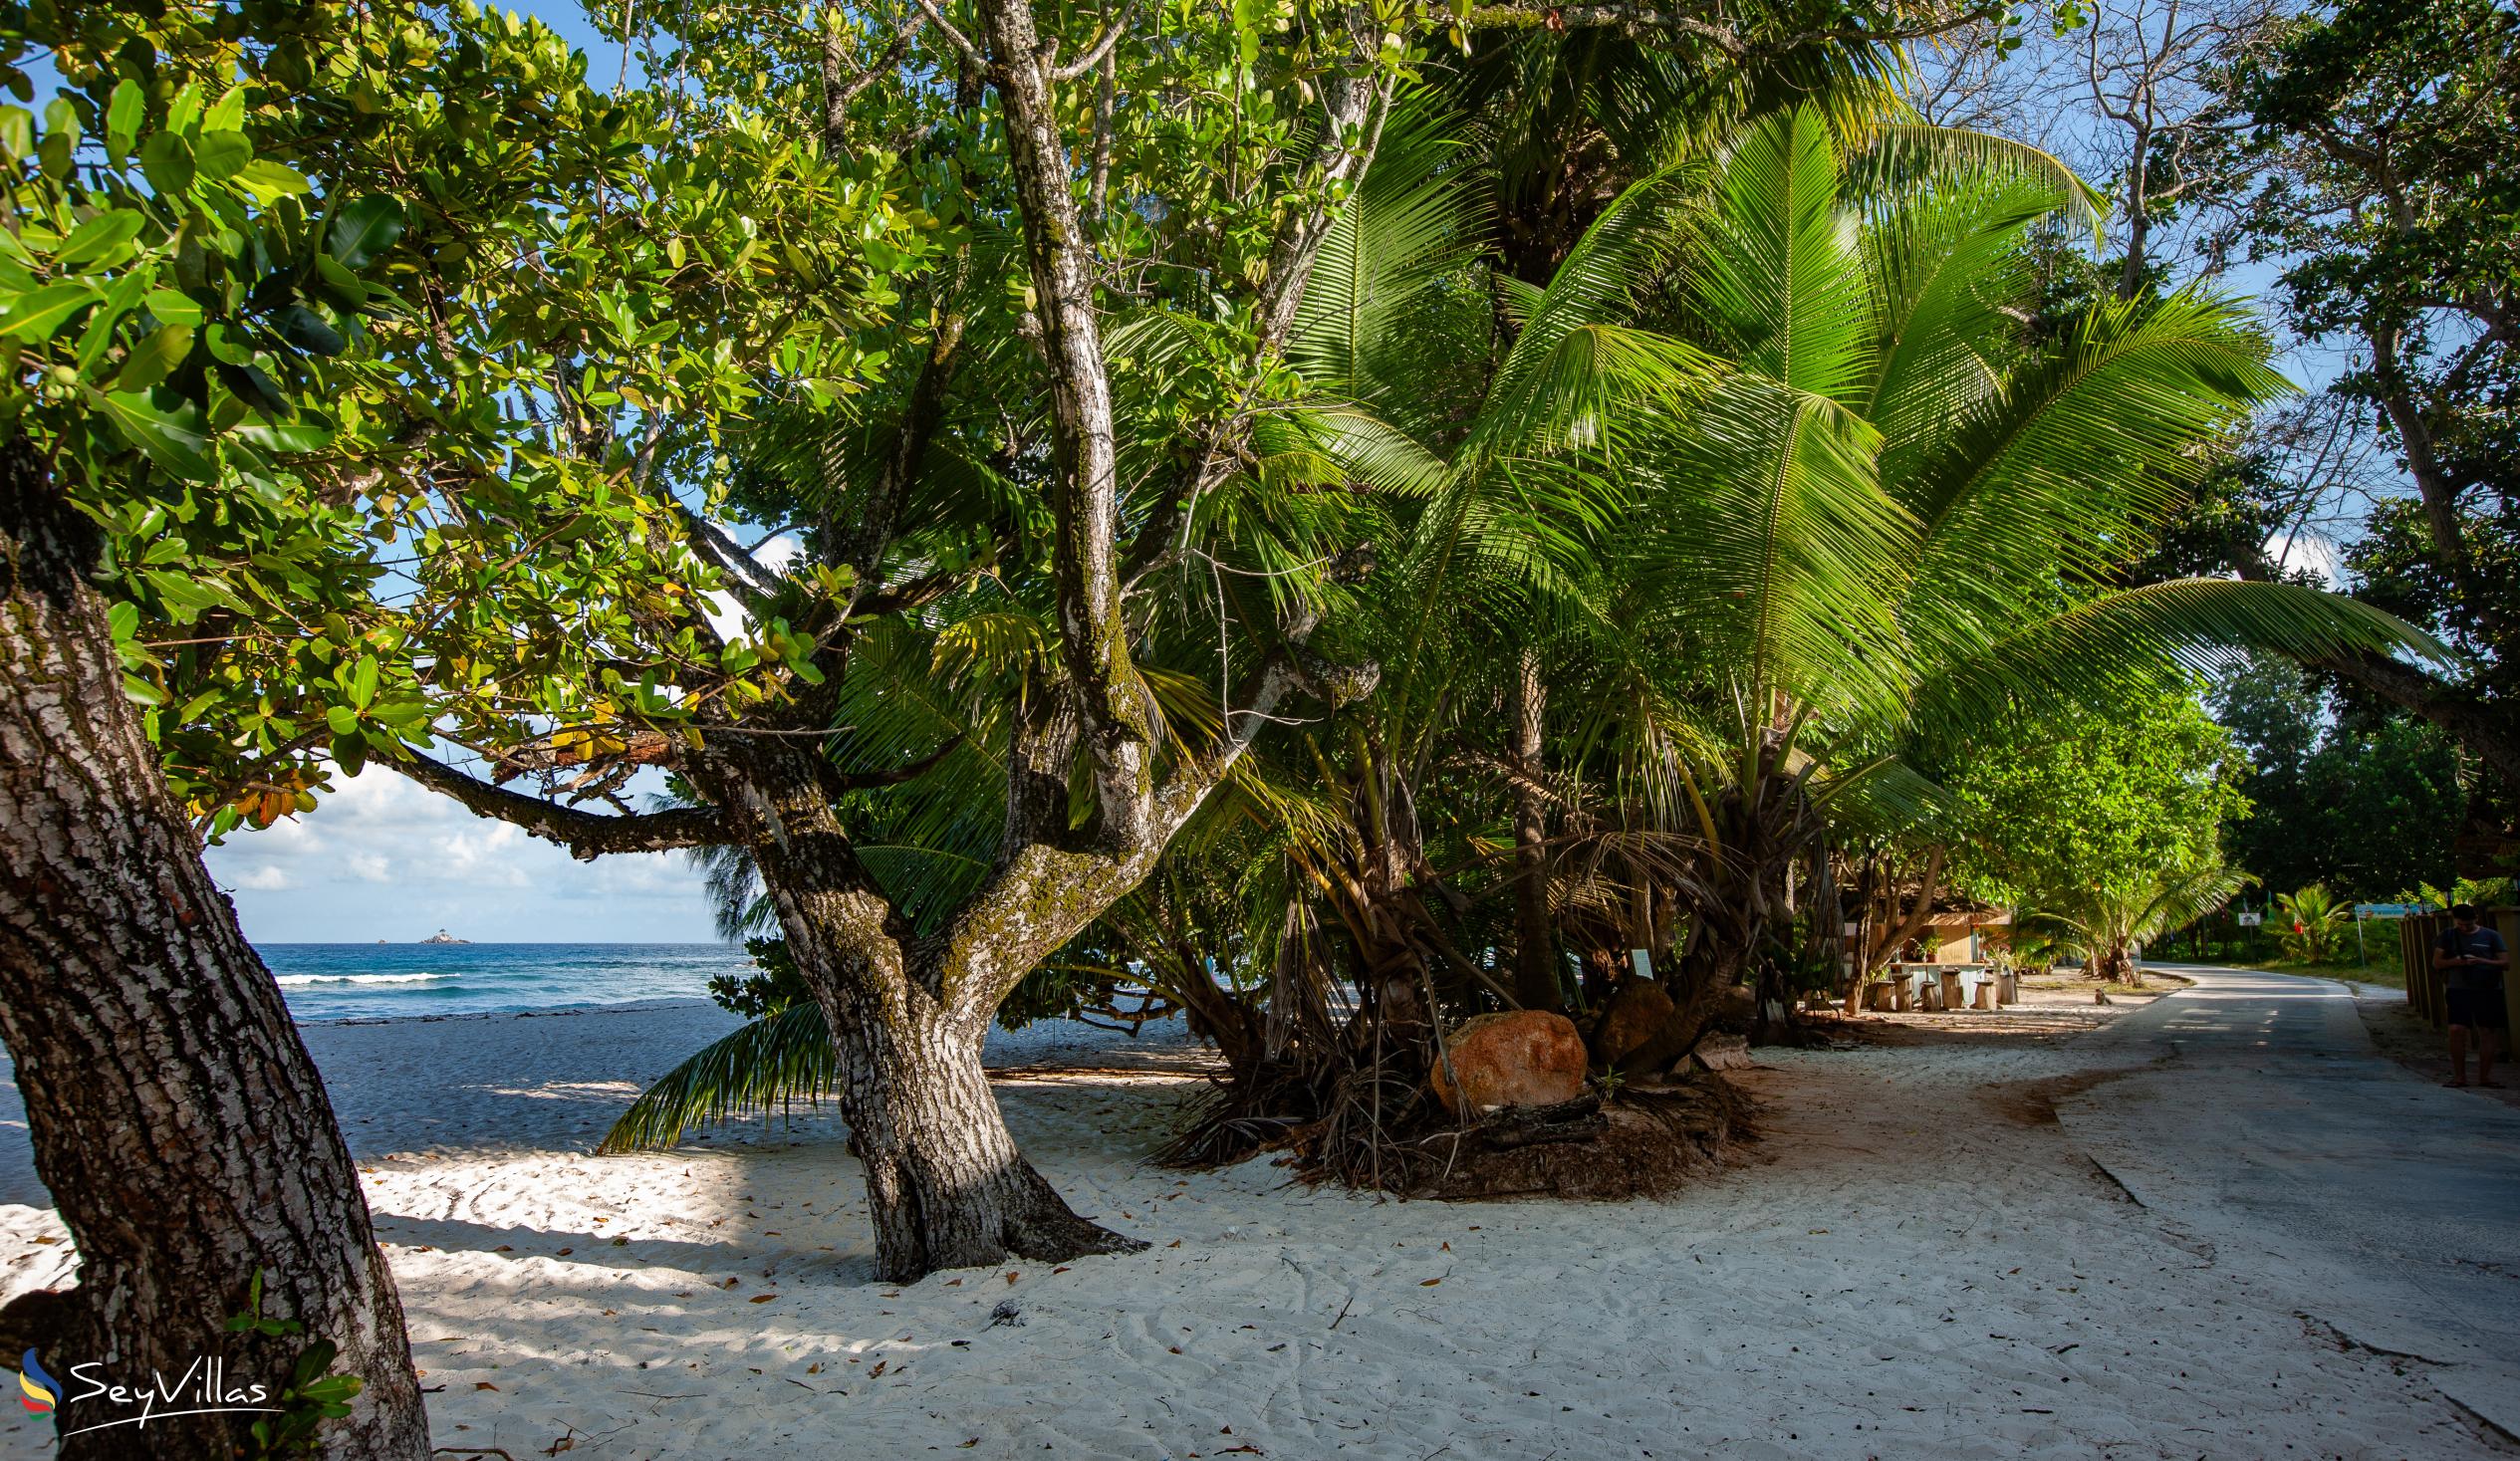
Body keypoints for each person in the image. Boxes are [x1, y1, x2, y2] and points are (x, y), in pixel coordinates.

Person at [2432, 903, 2510, 1089]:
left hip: (2488, 989)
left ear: (2476, 918)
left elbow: (2505, 963)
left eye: (2467, 924)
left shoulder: (2491, 936)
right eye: (2460, 924)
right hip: (2459, 989)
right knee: (2456, 1030)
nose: (2464, 928)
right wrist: (2457, 962)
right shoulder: (2448, 936)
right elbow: (2437, 963)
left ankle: (2485, 1077)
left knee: (2487, 1031)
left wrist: (2480, 960)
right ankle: (2460, 1076)